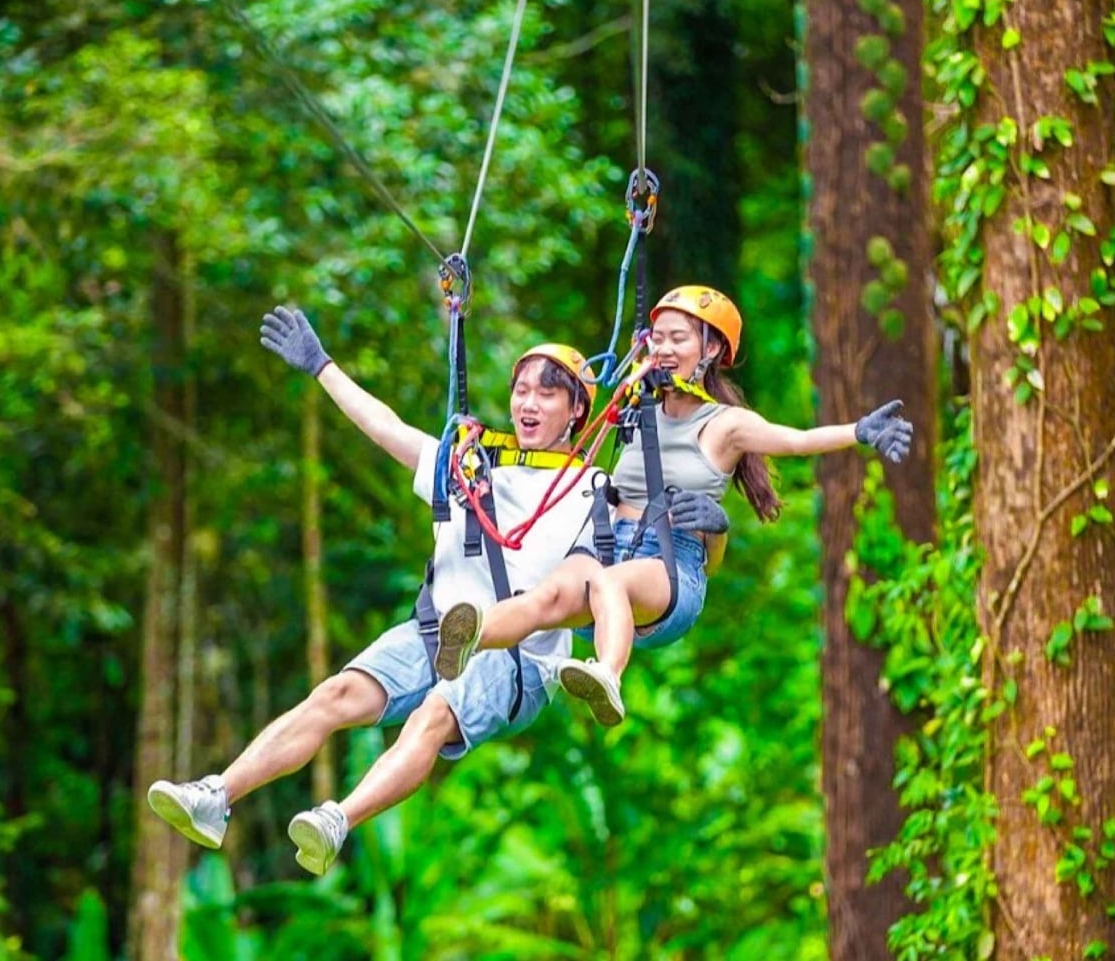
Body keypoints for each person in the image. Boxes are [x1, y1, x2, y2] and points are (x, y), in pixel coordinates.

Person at [146, 305, 728, 875]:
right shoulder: (467, 467)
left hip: (516, 659)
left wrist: (708, 530)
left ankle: (336, 820)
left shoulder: (594, 488)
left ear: (578, 408)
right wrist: (323, 365)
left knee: (433, 710)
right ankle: (216, 796)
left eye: (547, 393)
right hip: (435, 632)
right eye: (521, 389)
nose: (528, 402)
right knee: (337, 694)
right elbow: (386, 428)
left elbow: (667, 564)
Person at [434, 285, 914, 727]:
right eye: (657, 338)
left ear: (710, 350)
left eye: (678, 339)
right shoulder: (636, 409)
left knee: (607, 582)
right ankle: (468, 635)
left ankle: (607, 675)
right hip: (608, 544)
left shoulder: (724, 424)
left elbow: (795, 439)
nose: (663, 349)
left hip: (669, 563)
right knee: (546, 596)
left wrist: (857, 432)